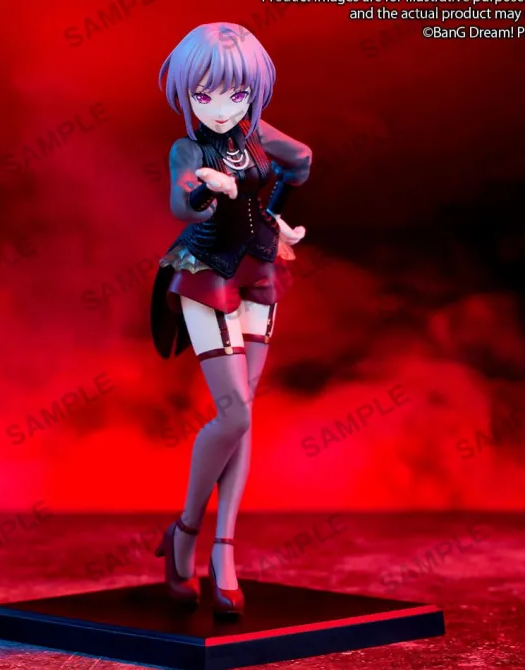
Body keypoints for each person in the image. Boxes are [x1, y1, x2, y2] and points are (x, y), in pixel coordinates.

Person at [150, 22, 312, 616]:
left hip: (260, 268)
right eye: (205, 94)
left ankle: (223, 551)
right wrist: (208, 190)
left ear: (253, 92)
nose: (221, 107)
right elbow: (182, 202)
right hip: (206, 271)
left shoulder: (256, 133)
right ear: (186, 92)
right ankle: (185, 531)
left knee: (244, 417)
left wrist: (274, 215)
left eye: (237, 93)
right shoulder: (189, 150)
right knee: (234, 413)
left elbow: (302, 160)